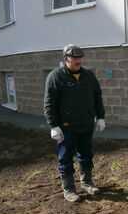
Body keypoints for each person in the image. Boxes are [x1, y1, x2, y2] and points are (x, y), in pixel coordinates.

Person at [44, 44, 105, 202]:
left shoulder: (89, 76)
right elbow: (49, 103)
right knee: (65, 158)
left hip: (86, 124)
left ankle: (87, 182)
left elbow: (97, 97)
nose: (78, 61)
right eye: (75, 58)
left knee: (86, 154)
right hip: (66, 128)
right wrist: (54, 126)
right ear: (66, 59)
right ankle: (69, 188)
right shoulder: (55, 77)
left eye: (80, 58)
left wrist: (100, 117)